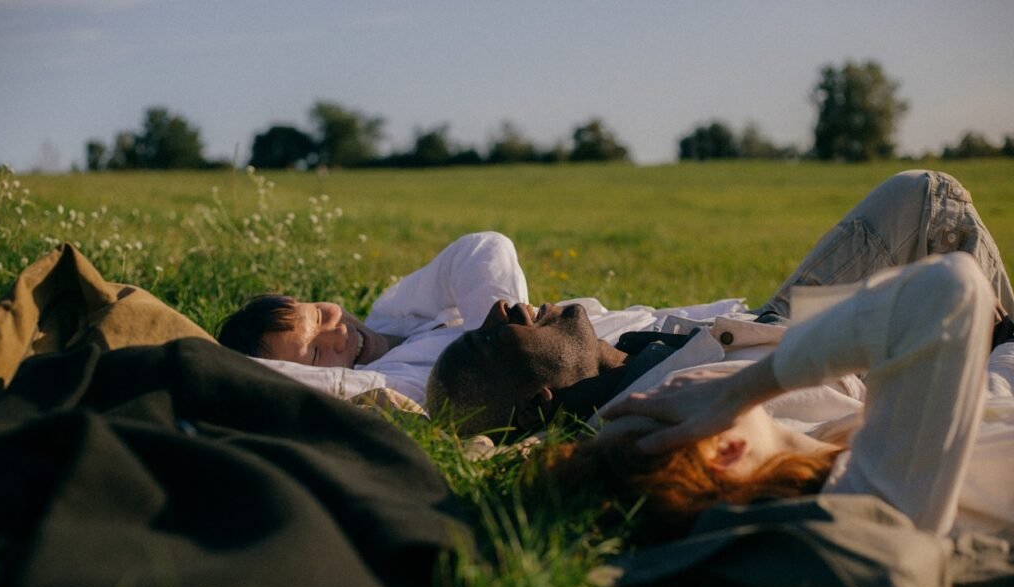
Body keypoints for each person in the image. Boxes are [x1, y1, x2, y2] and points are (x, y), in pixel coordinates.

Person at [426, 170, 1014, 443]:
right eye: (487, 337)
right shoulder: (667, 413)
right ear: (537, 403)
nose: (504, 308)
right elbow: (847, 409)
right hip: (818, 351)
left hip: (774, 321)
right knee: (942, 229)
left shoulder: (620, 346)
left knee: (923, 196)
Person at [588, 251, 1014, 540]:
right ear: (727, 451)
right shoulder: (869, 500)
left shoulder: (837, 450)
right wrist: (737, 389)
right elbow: (950, 284)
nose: (675, 385)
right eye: (667, 402)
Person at [218, 231, 743, 405]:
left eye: (321, 315)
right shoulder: (394, 382)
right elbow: (273, 377)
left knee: (796, 304)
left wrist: (505, 331)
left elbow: (481, 249)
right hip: (671, 358)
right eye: (314, 352)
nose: (336, 336)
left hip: (673, 321)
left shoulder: (394, 314)